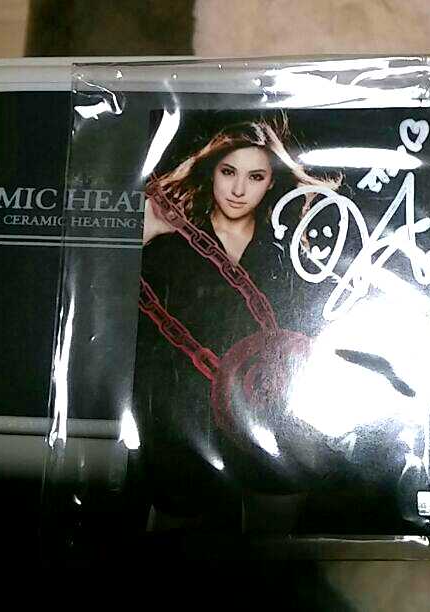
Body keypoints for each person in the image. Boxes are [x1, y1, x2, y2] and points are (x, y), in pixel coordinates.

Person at [133, 115, 339, 531]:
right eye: (229, 172)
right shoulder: (173, 242)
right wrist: (147, 230)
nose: (239, 190)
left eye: (255, 176)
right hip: (185, 424)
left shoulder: (289, 256)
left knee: (272, 551)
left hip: (267, 419)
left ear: (271, 182)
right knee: (176, 551)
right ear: (212, 172)